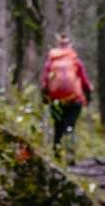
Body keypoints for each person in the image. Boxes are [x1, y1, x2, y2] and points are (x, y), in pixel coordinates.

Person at [40, 33, 93, 163]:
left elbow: (45, 81)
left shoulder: (51, 61)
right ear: (70, 45)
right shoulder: (75, 60)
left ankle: (56, 155)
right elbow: (84, 81)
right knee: (70, 126)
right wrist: (88, 94)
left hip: (56, 100)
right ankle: (70, 156)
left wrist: (45, 96)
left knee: (58, 126)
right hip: (74, 100)